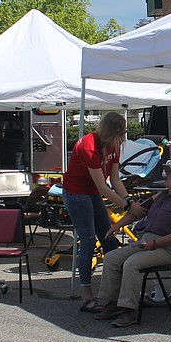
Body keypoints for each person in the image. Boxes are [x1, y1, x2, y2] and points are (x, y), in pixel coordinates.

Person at [94, 160, 171, 328]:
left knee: (131, 264)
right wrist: (117, 226)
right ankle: (111, 302)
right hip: (147, 241)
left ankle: (129, 309)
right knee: (112, 258)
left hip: (168, 248)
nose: (165, 176)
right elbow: (138, 212)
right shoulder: (161, 195)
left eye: (169, 173)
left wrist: (154, 243)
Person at [65, 112, 138, 311]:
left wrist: (129, 200)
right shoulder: (89, 147)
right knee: (88, 239)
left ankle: (113, 290)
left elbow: (115, 179)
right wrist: (128, 206)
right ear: (112, 132)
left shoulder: (114, 145)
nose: (123, 138)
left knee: (108, 236)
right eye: (122, 133)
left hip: (91, 191)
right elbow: (103, 187)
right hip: (77, 192)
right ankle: (86, 294)